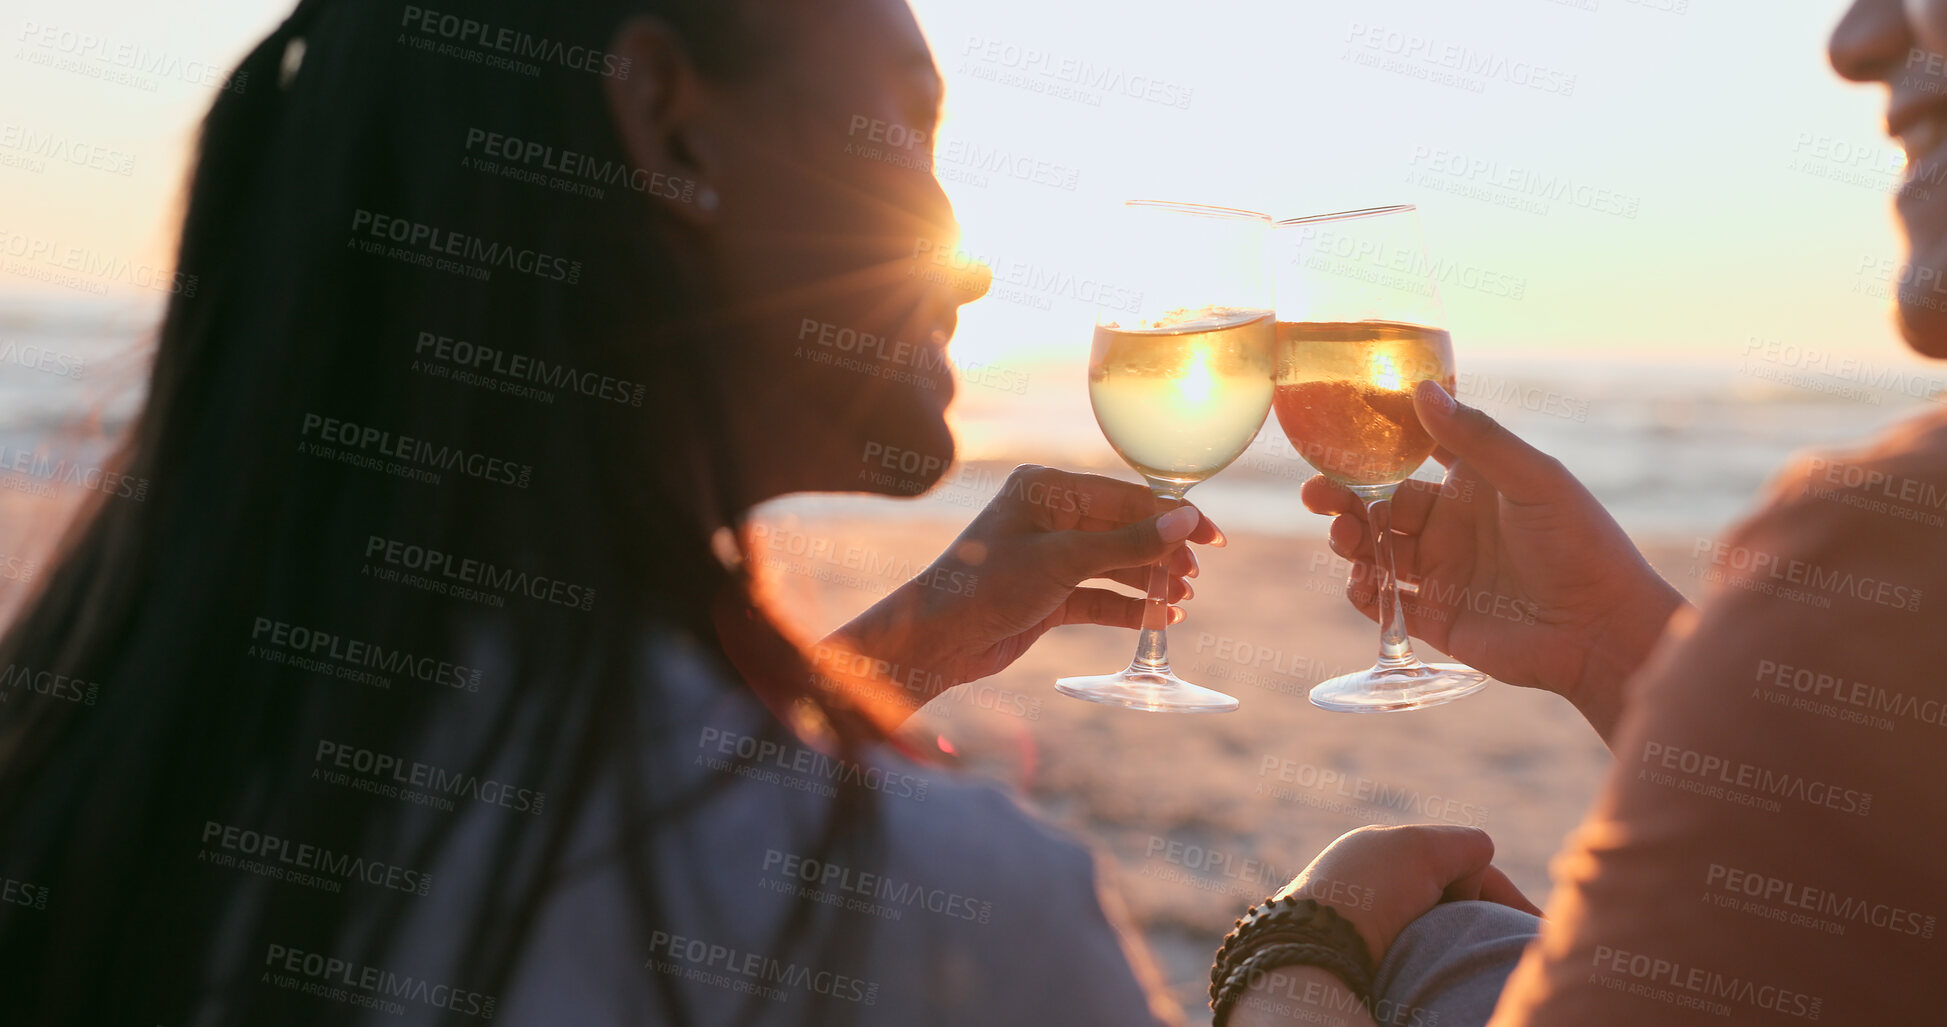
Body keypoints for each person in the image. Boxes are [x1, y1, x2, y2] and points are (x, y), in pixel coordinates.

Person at [0, 0, 1331, 1023]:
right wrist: (1307, 949)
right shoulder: (954, 913)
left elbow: (581, 783)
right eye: (907, 133)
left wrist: (912, 639)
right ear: (670, 125)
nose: (969, 258)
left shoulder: (123, 751)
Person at [1270, 0, 1947, 1022]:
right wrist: (1612, 643)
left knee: (1433, 945)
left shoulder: (1892, 552)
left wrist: (1290, 951)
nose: (1857, 40)